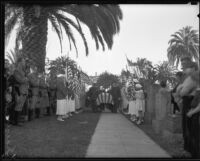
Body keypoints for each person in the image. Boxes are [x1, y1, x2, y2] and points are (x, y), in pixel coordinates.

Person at [176, 61, 198, 155]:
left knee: (190, 129)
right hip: (186, 102)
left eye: (186, 67)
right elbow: (179, 92)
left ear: (193, 68)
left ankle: (191, 151)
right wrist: (180, 90)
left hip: (191, 103)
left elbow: (182, 92)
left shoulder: (194, 78)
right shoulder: (188, 78)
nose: (184, 69)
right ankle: (187, 149)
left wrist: (180, 89)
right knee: (185, 128)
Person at [186, 70, 200, 158]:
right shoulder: (198, 88)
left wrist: (191, 112)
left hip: (197, 115)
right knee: (193, 135)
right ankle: (194, 153)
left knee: (197, 137)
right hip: (194, 114)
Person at [12, 56, 29, 126]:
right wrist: (26, 79)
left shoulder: (23, 71)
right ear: (20, 62)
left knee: (20, 106)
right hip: (19, 91)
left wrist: (25, 78)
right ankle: (15, 121)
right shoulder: (16, 70)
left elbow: (24, 80)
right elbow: (20, 80)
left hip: (24, 91)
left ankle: (18, 120)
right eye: (23, 61)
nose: (24, 62)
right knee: (18, 106)